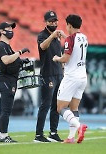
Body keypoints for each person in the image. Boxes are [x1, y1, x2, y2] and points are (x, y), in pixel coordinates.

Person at [52, 14, 88, 143]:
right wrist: (65, 36)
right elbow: (74, 44)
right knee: (74, 108)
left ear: (70, 25)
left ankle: (80, 127)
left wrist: (57, 58)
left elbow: (66, 58)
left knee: (60, 108)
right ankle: (71, 137)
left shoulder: (69, 40)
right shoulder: (84, 38)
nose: (66, 27)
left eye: (66, 25)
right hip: (83, 77)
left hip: (71, 77)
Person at [34, 10, 66, 142]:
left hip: (58, 73)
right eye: (51, 21)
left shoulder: (57, 36)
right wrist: (52, 35)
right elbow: (42, 46)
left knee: (56, 105)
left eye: (55, 21)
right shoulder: (42, 35)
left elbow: (58, 52)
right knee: (45, 104)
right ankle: (38, 135)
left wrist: (63, 68)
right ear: (45, 22)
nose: (54, 23)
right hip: (48, 74)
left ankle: (53, 132)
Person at [0, 22, 30, 143]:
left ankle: (0, 135)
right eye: (8, 28)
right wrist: (20, 52)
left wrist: (20, 61)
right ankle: (4, 135)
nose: (11, 30)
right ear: (1, 31)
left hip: (9, 80)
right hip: (6, 80)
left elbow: (12, 61)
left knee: (2, 110)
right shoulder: (1, 46)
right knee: (6, 110)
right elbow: (6, 60)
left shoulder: (7, 46)